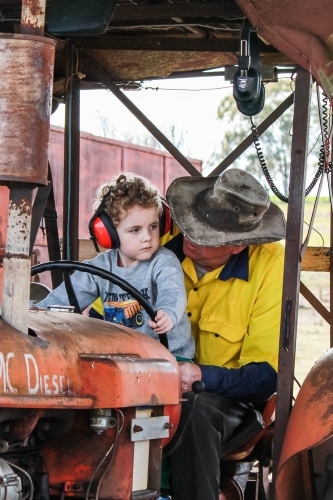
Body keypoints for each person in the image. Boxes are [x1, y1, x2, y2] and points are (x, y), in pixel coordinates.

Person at [161, 168, 286, 500]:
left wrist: (198, 375)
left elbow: (265, 376)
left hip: (234, 403)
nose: (191, 236)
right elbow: (108, 309)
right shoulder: (160, 251)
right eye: (193, 225)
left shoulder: (272, 268)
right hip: (153, 387)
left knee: (193, 410)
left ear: (237, 246)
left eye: (206, 236)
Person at [37, 173, 194, 360]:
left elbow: (172, 292)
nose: (147, 237)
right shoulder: (100, 268)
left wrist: (168, 313)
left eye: (153, 226)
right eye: (135, 230)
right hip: (126, 355)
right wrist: (37, 313)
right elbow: (65, 299)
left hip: (170, 357)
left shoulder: (164, 261)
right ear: (109, 233)